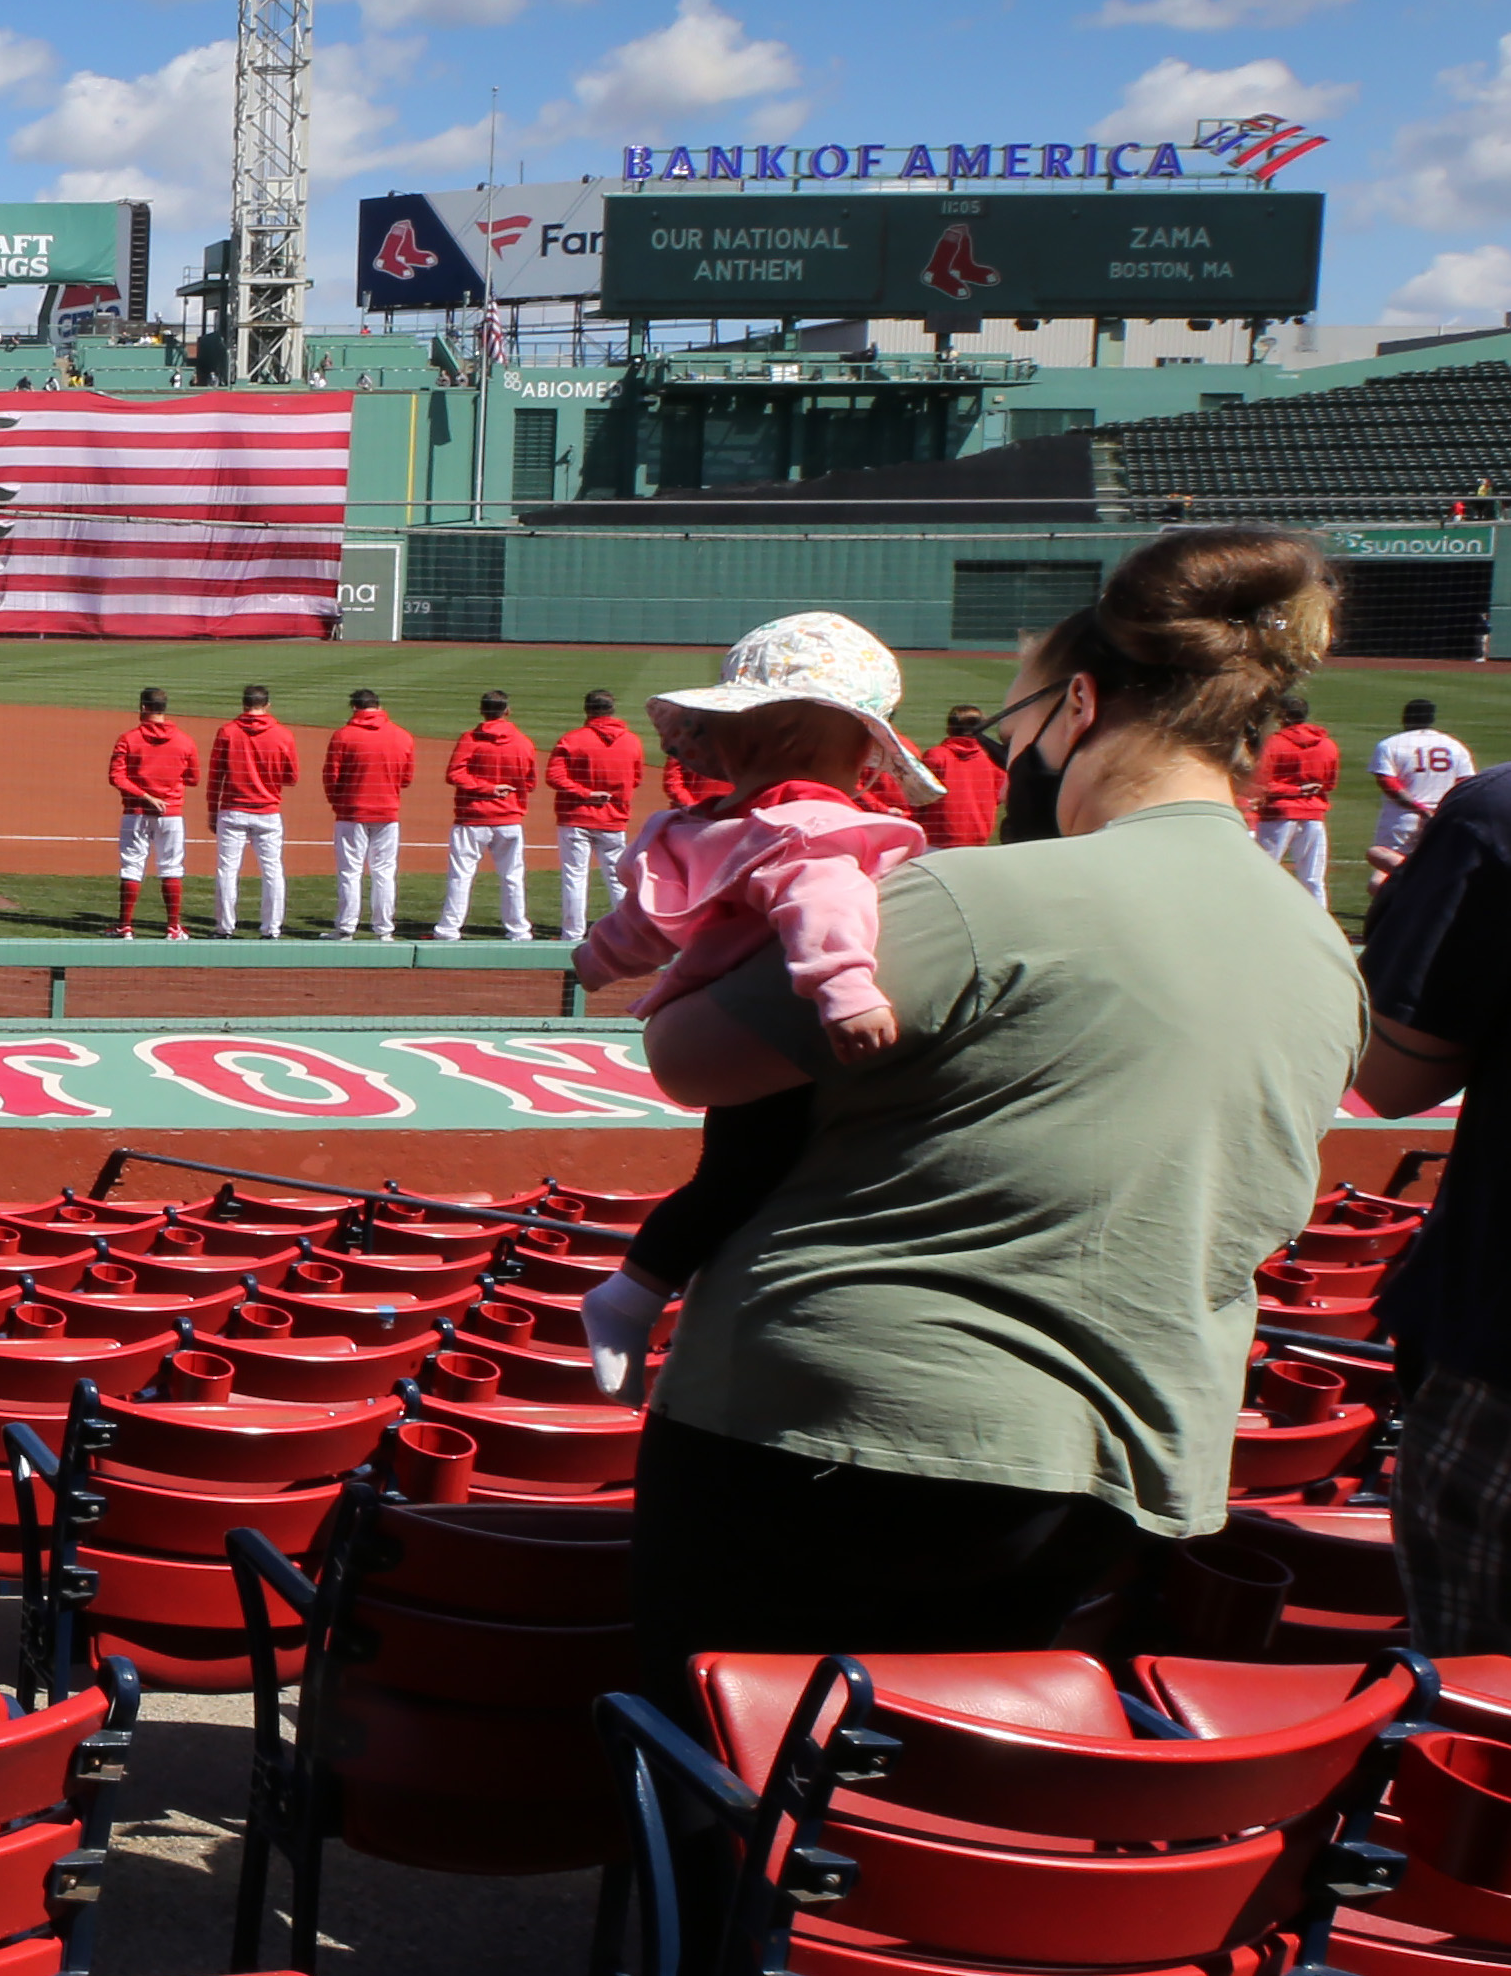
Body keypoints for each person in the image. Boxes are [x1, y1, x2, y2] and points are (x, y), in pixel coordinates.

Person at [620, 530, 1360, 1703]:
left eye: (1014, 733)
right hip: (1125, 1455)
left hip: (828, 1426)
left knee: (726, 1801)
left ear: (1078, 704)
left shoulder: (970, 895)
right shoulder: (1321, 947)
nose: (1012, 758)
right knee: (946, 1815)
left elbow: (688, 1057)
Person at [570, 617, 942, 1398]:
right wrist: (845, 989)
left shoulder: (711, 826)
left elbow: (642, 922)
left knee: (730, 1169)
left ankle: (634, 1291)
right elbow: (824, 903)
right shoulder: (816, 827)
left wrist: (596, 960)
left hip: (715, 1021)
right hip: (790, 1038)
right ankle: (632, 1294)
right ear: (854, 747)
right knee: (762, 1171)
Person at [1366, 757, 1511, 1645]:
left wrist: (1406, 915)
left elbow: (1390, 1078)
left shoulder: (1497, 815)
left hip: (1500, 1358)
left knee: (1475, 1734)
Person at [432, 689, 538, 942]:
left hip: (473, 818)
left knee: (461, 875)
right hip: (509, 819)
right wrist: (499, 789)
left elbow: (454, 774)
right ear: (507, 711)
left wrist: (486, 788)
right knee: (512, 877)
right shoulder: (524, 742)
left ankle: (449, 929)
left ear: (482, 710)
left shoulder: (470, 739)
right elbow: (530, 782)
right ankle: (519, 930)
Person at [546, 688, 645, 937]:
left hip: (575, 817)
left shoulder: (572, 739)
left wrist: (584, 793)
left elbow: (554, 776)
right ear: (612, 710)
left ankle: (572, 933)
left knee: (575, 877)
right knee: (618, 878)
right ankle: (628, 932)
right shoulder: (632, 741)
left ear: (587, 710)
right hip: (614, 818)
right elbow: (636, 778)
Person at [322, 688, 416, 941]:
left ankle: (346, 928)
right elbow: (406, 778)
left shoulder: (343, 736)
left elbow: (331, 777)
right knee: (384, 871)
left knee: (350, 872)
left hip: (351, 812)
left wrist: (338, 805)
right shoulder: (402, 736)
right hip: (387, 811)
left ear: (354, 708)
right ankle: (384, 930)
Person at [206, 682, 297, 939]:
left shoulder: (227, 732)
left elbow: (215, 776)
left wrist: (213, 810)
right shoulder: (283, 734)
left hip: (233, 810)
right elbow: (292, 777)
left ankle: (224, 928)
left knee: (227, 869)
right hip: (268, 811)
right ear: (267, 705)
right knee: (273, 871)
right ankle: (272, 929)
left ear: (243, 704)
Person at [107, 684, 196, 938]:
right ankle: (173, 928)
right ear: (163, 709)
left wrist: (145, 795)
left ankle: (125, 927)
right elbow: (193, 777)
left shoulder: (128, 739)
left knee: (132, 867)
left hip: (135, 812)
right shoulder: (185, 740)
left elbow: (116, 777)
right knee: (171, 867)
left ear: (143, 708)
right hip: (171, 813)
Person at [1372, 696, 1477, 897]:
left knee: (1387, 873)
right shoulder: (1455, 745)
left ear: (1405, 718)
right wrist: (1439, 810)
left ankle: (1389, 916)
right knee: (1438, 868)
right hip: (1442, 817)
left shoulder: (1390, 744)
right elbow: (1465, 784)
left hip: (1402, 818)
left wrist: (1420, 808)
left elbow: (1388, 783)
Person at [1256, 696, 1341, 902]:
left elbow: (1261, 784)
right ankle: (1322, 927)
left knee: (1262, 873)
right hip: (1314, 815)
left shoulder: (1273, 743)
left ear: (1281, 715)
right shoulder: (1327, 745)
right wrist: (1306, 790)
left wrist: (1294, 790)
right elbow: (1329, 783)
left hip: (1278, 814)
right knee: (1313, 878)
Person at [916, 700, 1007, 850]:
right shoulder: (990, 758)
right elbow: (999, 793)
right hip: (978, 837)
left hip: (938, 839)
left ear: (949, 728)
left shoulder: (936, 756)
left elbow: (920, 796)